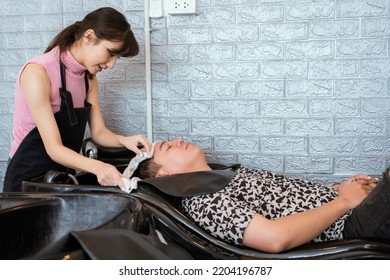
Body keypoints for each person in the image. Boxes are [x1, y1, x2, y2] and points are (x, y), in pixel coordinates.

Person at [135, 139, 390, 253]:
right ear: (164, 175)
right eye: (168, 147)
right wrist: (344, 201)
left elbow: (289, 196)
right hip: (350, 228)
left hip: (350, 207)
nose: (179, 140)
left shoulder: (229, 173)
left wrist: (337, 189)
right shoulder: (204, 201)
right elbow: (275, 238)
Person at [3, 7, 151, 192]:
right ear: (89, 36)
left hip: (61, 176)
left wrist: (124, 140)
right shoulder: (37, 72)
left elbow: (98, 132)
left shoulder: (89, 78)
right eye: (111, 53)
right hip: (26, 177)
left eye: (117, 58)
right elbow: (54, 148)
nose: (112, 65)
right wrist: (98, 167)